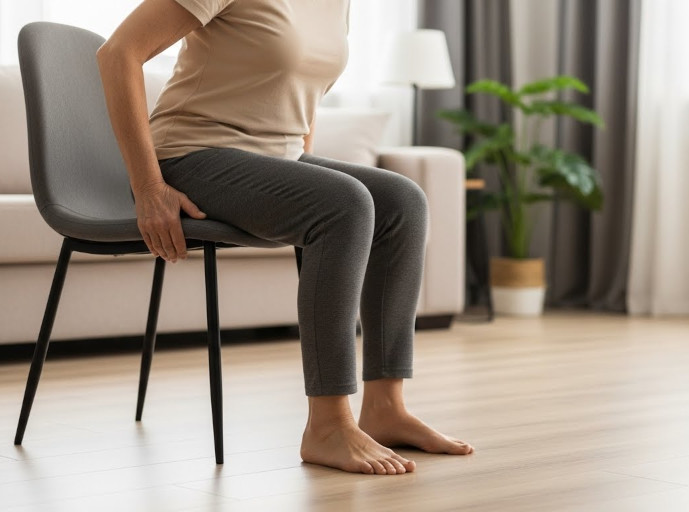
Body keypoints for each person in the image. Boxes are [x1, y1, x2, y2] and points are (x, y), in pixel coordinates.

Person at [96, 0, 473, 476]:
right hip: (190, 155)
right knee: (346, 204)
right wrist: (149, 187)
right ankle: (327, 425)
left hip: (273, 160)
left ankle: (385, 407)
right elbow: (117, 54)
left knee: (403, 202)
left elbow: (303, 92)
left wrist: (303, 182)